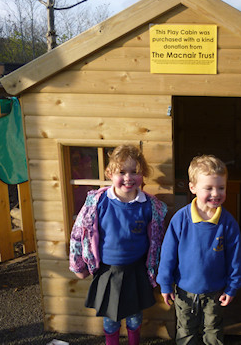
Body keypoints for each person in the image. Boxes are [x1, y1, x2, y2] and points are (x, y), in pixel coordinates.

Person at [69, 144, 167, 345]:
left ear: (143, 175)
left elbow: (158, 240)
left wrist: (157, 269)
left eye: (135, 172)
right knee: (111, 320)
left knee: (134, 317)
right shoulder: (97, 202)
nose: (128, 177)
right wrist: (78, 265)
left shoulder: (150, 206)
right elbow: (79, 233)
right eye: (122, 172)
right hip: (108, 271)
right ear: (110, 173)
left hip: (136, 270)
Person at [157, 155, 241, 345]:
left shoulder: (228, 223)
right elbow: (168, 254)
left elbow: (236, 259)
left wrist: (232, 287)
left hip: (216, 291)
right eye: (209, 188)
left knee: (213, 331)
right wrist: (165, 283)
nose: (216, 193)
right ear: (193, 188)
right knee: (186, 331)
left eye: (221, 188)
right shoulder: (180, 219)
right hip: (184, 291)